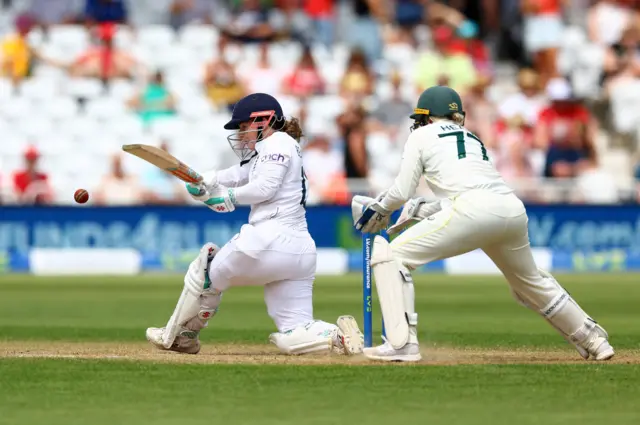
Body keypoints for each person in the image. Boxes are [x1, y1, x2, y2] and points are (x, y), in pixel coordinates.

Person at [352, 85, 615, 362]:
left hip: (473, 210)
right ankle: (594, 339)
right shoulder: (471, 137)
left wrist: (379, 209)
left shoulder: (422, 135)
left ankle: (401, 344)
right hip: (511, 210)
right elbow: (474, 191)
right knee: (530, 282)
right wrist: (424, 209)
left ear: (427, 117)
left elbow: (402, 191)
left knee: (390, 255)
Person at [146, 93, 364, 356]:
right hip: (300, 252)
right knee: (294, 331)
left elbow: (264, 188)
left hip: (269, 239)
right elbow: (240, 174)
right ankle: (338, 336)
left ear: (265, 120)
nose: (241, 133)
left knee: (205, 272)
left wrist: (226, 196)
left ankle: (181, 336)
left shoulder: (278, 143)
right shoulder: (277, 147)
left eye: (244, 126)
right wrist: (206, 181)